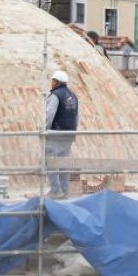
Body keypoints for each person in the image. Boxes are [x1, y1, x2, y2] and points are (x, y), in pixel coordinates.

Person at [44, 70, 79, 199]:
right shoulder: (73, 96)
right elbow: (76, 116)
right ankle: (64, 191)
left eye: (52, 80)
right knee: (64, 163)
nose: (51, 83)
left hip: (55, 134)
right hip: (69, 134)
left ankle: (55, 191)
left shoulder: (55, 95)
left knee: (51, 162)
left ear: (56, 82)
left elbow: (49, 115)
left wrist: (44, 131)